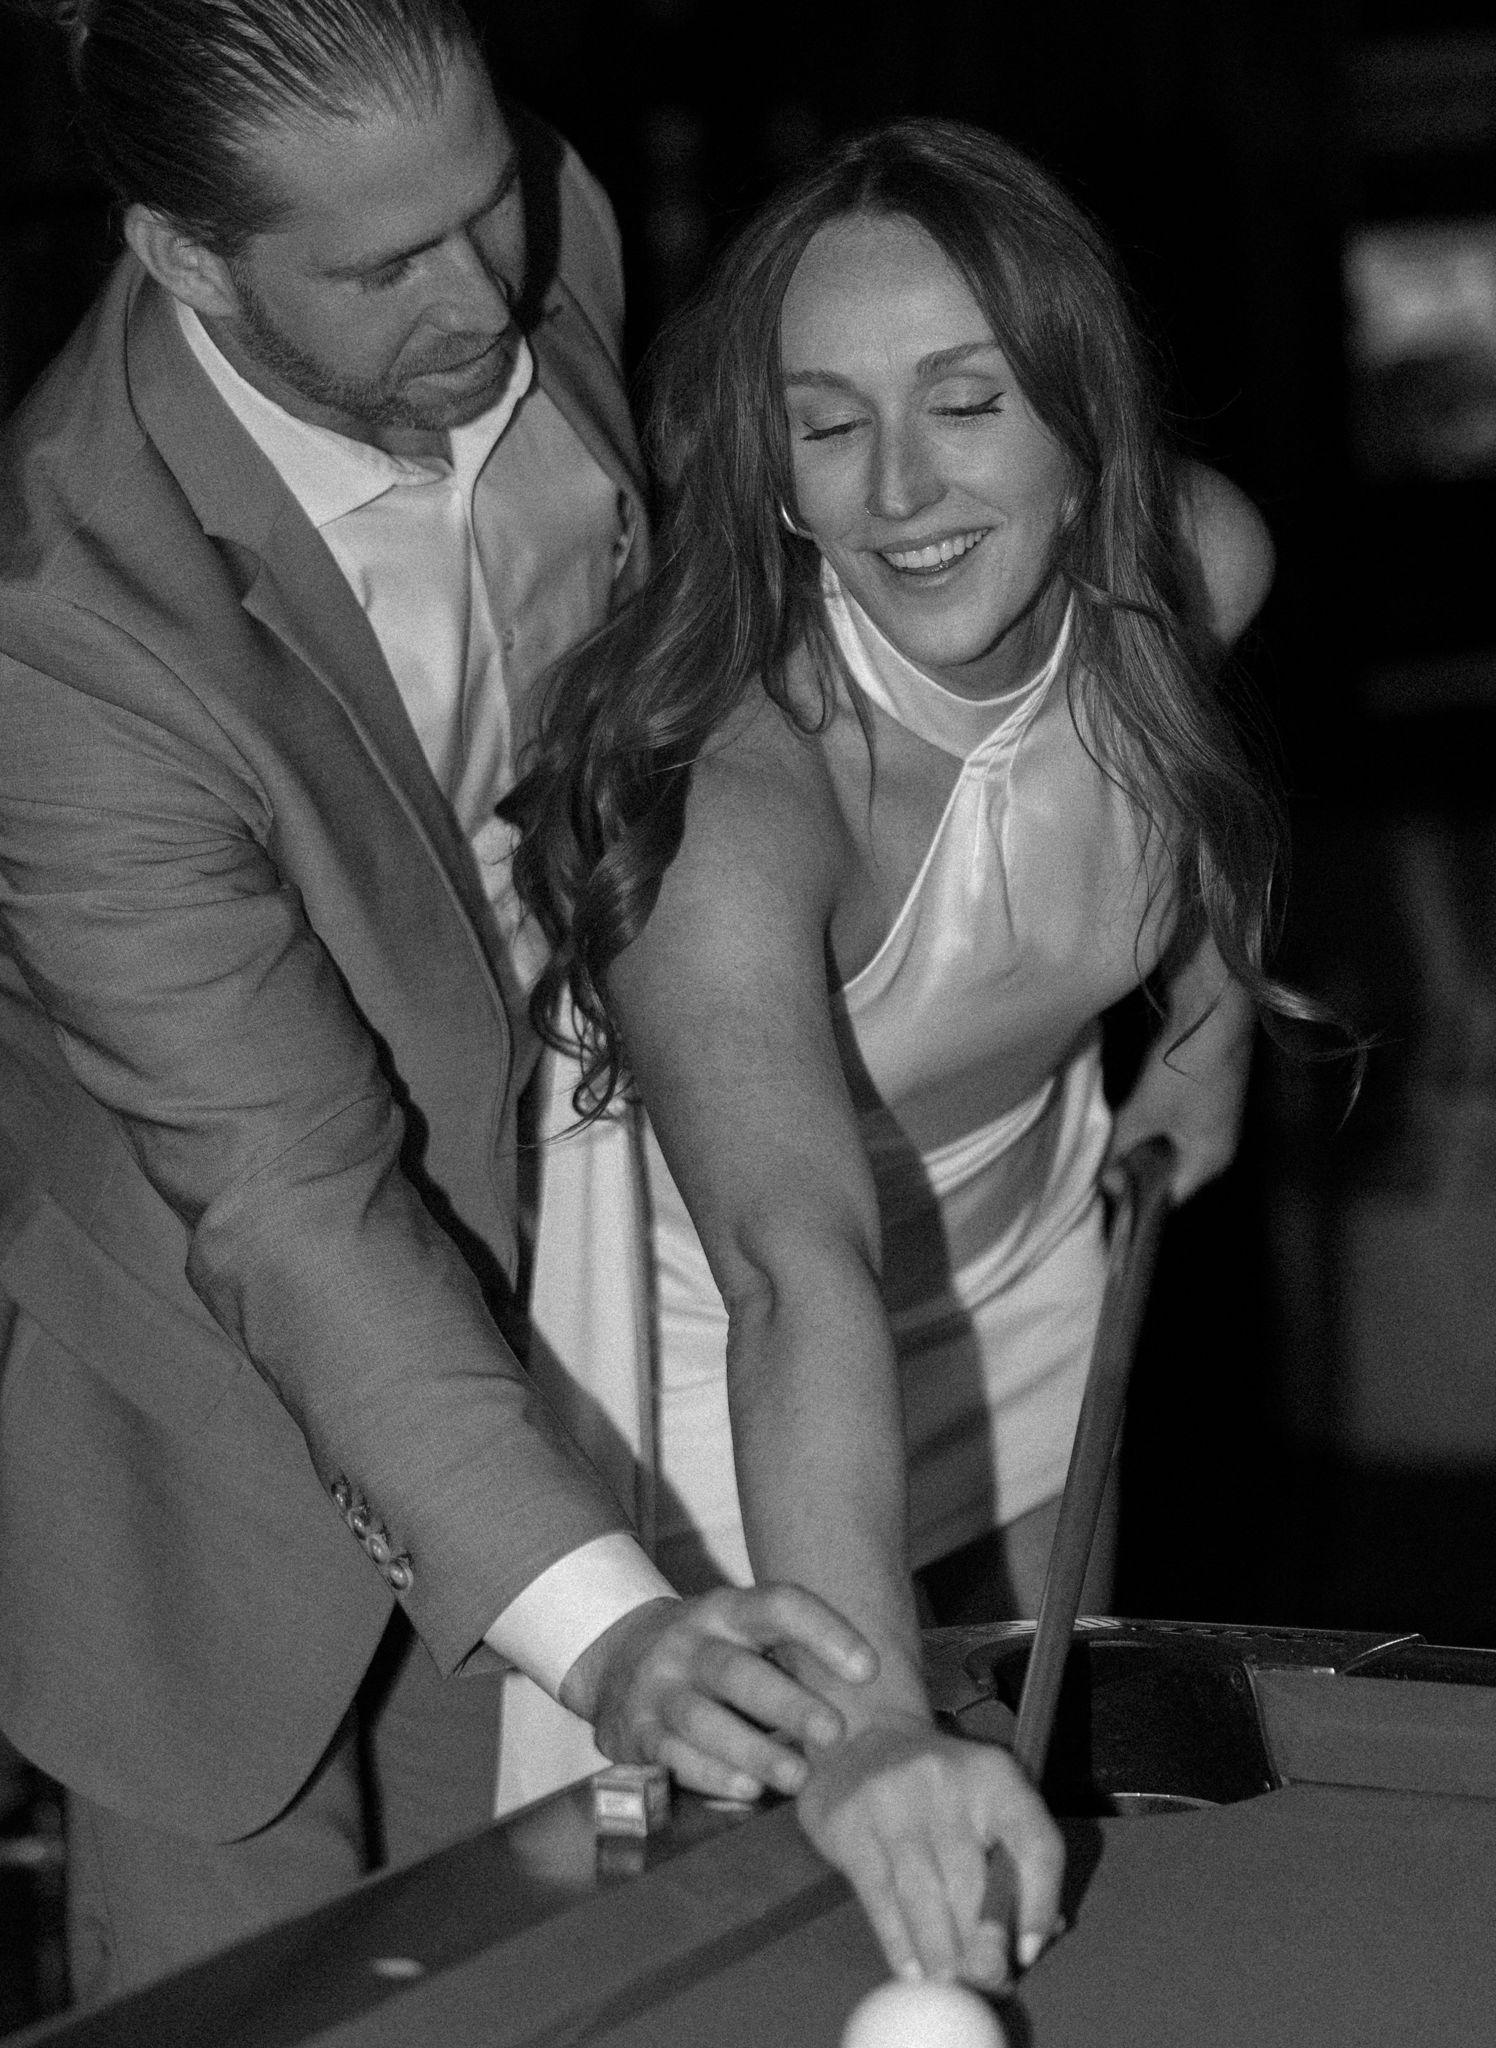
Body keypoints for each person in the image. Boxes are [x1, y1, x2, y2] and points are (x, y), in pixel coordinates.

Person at [0, 0, 888, 2004]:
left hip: (546, 1269)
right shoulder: (55, 633)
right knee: (254, 2004)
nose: (483, 294)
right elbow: (283, 1191)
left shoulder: (539, 223)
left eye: (487, 202)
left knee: (500, 1968)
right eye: (383, 267)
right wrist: (613, 1632)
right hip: (185, 1387)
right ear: (186, 258)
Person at [511, 116, 1306, 1983]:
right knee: (781, 1896)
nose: (898, 488)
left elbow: (1194, 772)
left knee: (1039, 1812)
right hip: (732, 1379)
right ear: (774, 476)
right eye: (828, 424)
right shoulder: (732, 790)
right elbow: (792, 1262)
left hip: (1029, 1261)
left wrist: (1207, 1025)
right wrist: (866, 1725)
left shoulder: (1196, 557)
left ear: (1081, 419)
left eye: (966, 402)